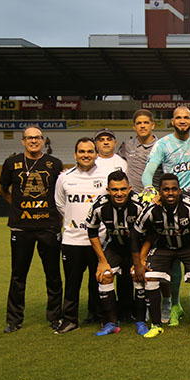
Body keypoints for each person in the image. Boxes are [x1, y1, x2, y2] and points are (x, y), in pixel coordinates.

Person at [141, 106, 190, 326]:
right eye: (178, 118)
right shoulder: (163, 144)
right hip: (173, 206)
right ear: (172, 121)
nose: (182, 121)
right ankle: (174, 305)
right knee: (173, 256)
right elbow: (150, 170)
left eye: (186, 117)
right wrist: (148, 189)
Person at [133, 173, 190, 338]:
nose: (170, 193)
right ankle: (156, 325)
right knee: (149, 277)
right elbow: (135, 235)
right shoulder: (151, 209)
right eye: (166, 190)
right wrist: (137, 263)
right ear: (160, 191)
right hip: (163, 247)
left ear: (180, 190)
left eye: (173, 189)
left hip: (189, 247)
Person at [0, 126, 64, 333]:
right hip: (21, 227)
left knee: (53, 274)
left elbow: (60, 193)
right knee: (18, 275)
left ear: (43, 140)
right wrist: (17, 207)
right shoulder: (12, 163)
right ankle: (14, 320)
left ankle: (55, 317)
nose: (33, 141)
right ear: (22, 141)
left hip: (48, 226)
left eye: (37, 138)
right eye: (29, 138)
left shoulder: (54, 164)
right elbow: (3, 189)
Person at [53, 138, 110, 333]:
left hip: (100, 241)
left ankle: (101, 317)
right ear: (75, 154)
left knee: (100, 282)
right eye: (81, 151)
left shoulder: (106, 176)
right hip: (72, 240)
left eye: (89, 151)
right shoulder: (64, 177)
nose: (86, 155)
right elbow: (61, 205)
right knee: (72, 283)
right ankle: (70, 319)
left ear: (95, 153)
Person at [84, 170, 148, 336]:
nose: (119, 193)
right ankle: (111, 322)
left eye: (122, 189)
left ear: (129, 188)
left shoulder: (140, 204)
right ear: (108, 190)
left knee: (138, 274)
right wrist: (102, 261)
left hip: (138, 248)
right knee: (104, 275)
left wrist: (142, 259)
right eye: (114, 190)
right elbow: (92, 233)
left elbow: (152, 232)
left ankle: (140, 320)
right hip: (115, 247)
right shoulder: (100, 206)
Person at [118, 109, 160, 193]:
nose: (142, 126)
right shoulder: (127, 146)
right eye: (139, 123)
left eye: (146, 122)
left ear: (153, 125)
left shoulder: (161, 146)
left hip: (155, 197)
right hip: (133, 197)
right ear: (134, 127)